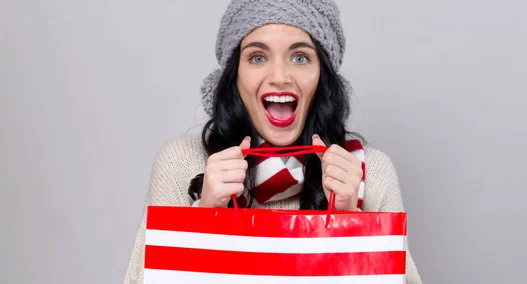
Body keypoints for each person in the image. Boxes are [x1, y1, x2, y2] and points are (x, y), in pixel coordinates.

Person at [122, 0, 423, 283]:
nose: (280, 76)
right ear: (234, 75)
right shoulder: (181, 163)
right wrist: (206, 215)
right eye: (257, 57)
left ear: (322, 75)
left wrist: (353, 221)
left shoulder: (369, 172)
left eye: (300, 57)